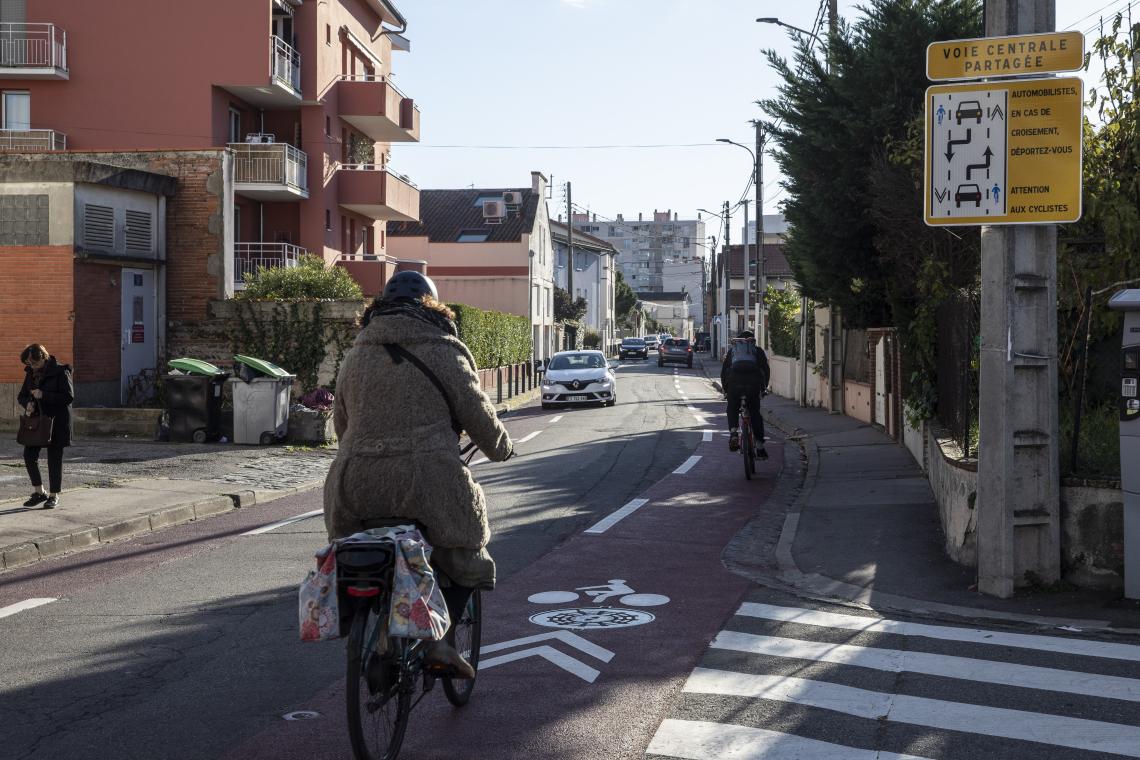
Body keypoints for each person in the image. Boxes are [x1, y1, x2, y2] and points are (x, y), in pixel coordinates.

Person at [323, 271, 513, 678]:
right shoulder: (445, 349)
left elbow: (341, 424)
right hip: (427, 480)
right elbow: (477, 413)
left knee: (357, 549)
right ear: (434, 307)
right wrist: (501, 447)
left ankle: (373, 637)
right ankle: (440, 643)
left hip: (354, 483)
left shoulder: (357, 353)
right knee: (465, 546)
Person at [17, 344, 74, 509]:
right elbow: (22, 395)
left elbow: (68, 397)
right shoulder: (31, 373)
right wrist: (28, 404)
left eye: (34, 363)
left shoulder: (61, 371)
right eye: (28, 363)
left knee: (54, 458)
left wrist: (43, 395)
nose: (32, 366)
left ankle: (54, 495)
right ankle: (39, 492)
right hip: (37, 422)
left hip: (57, 421)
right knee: (29, 455)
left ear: (44, 357)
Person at [720, 330, 770, 458]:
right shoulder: (757, 351)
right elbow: (765, 370)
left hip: (734, 385)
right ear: (752, 341)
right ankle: (759, 446)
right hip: (753, 386)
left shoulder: (733, 351)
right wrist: (764, 388)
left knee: (732, 408)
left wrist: (725, 390)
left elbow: (724, 371)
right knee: (755, 413)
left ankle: (733, 433)